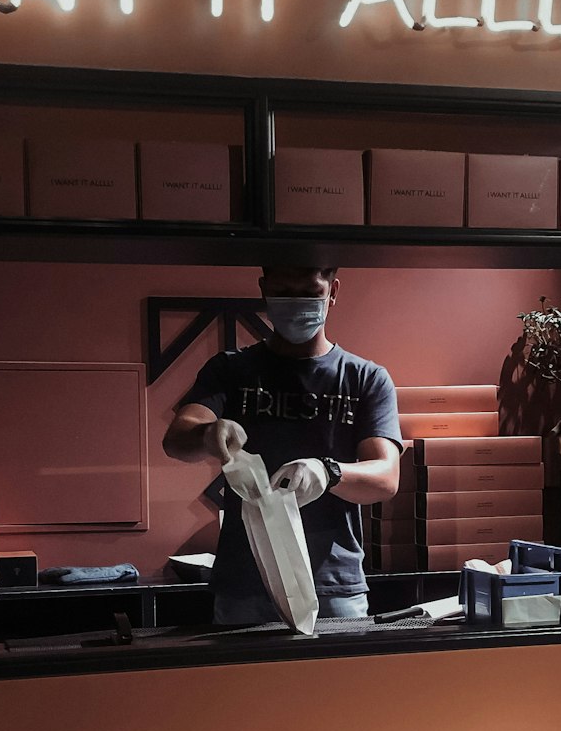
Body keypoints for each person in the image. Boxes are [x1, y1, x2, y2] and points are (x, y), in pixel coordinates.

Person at [162, 264, 403, 625]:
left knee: (339, 682)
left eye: (309, 292)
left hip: (333, 585)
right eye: (283, 292)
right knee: (244, 683)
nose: (296, 303)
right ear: (264, 290)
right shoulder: (231, 370)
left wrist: (328, 471)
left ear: (333, 291)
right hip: (243, 584)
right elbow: (178, 437)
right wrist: (208, 435)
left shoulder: (364, 378)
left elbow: (386, 477)